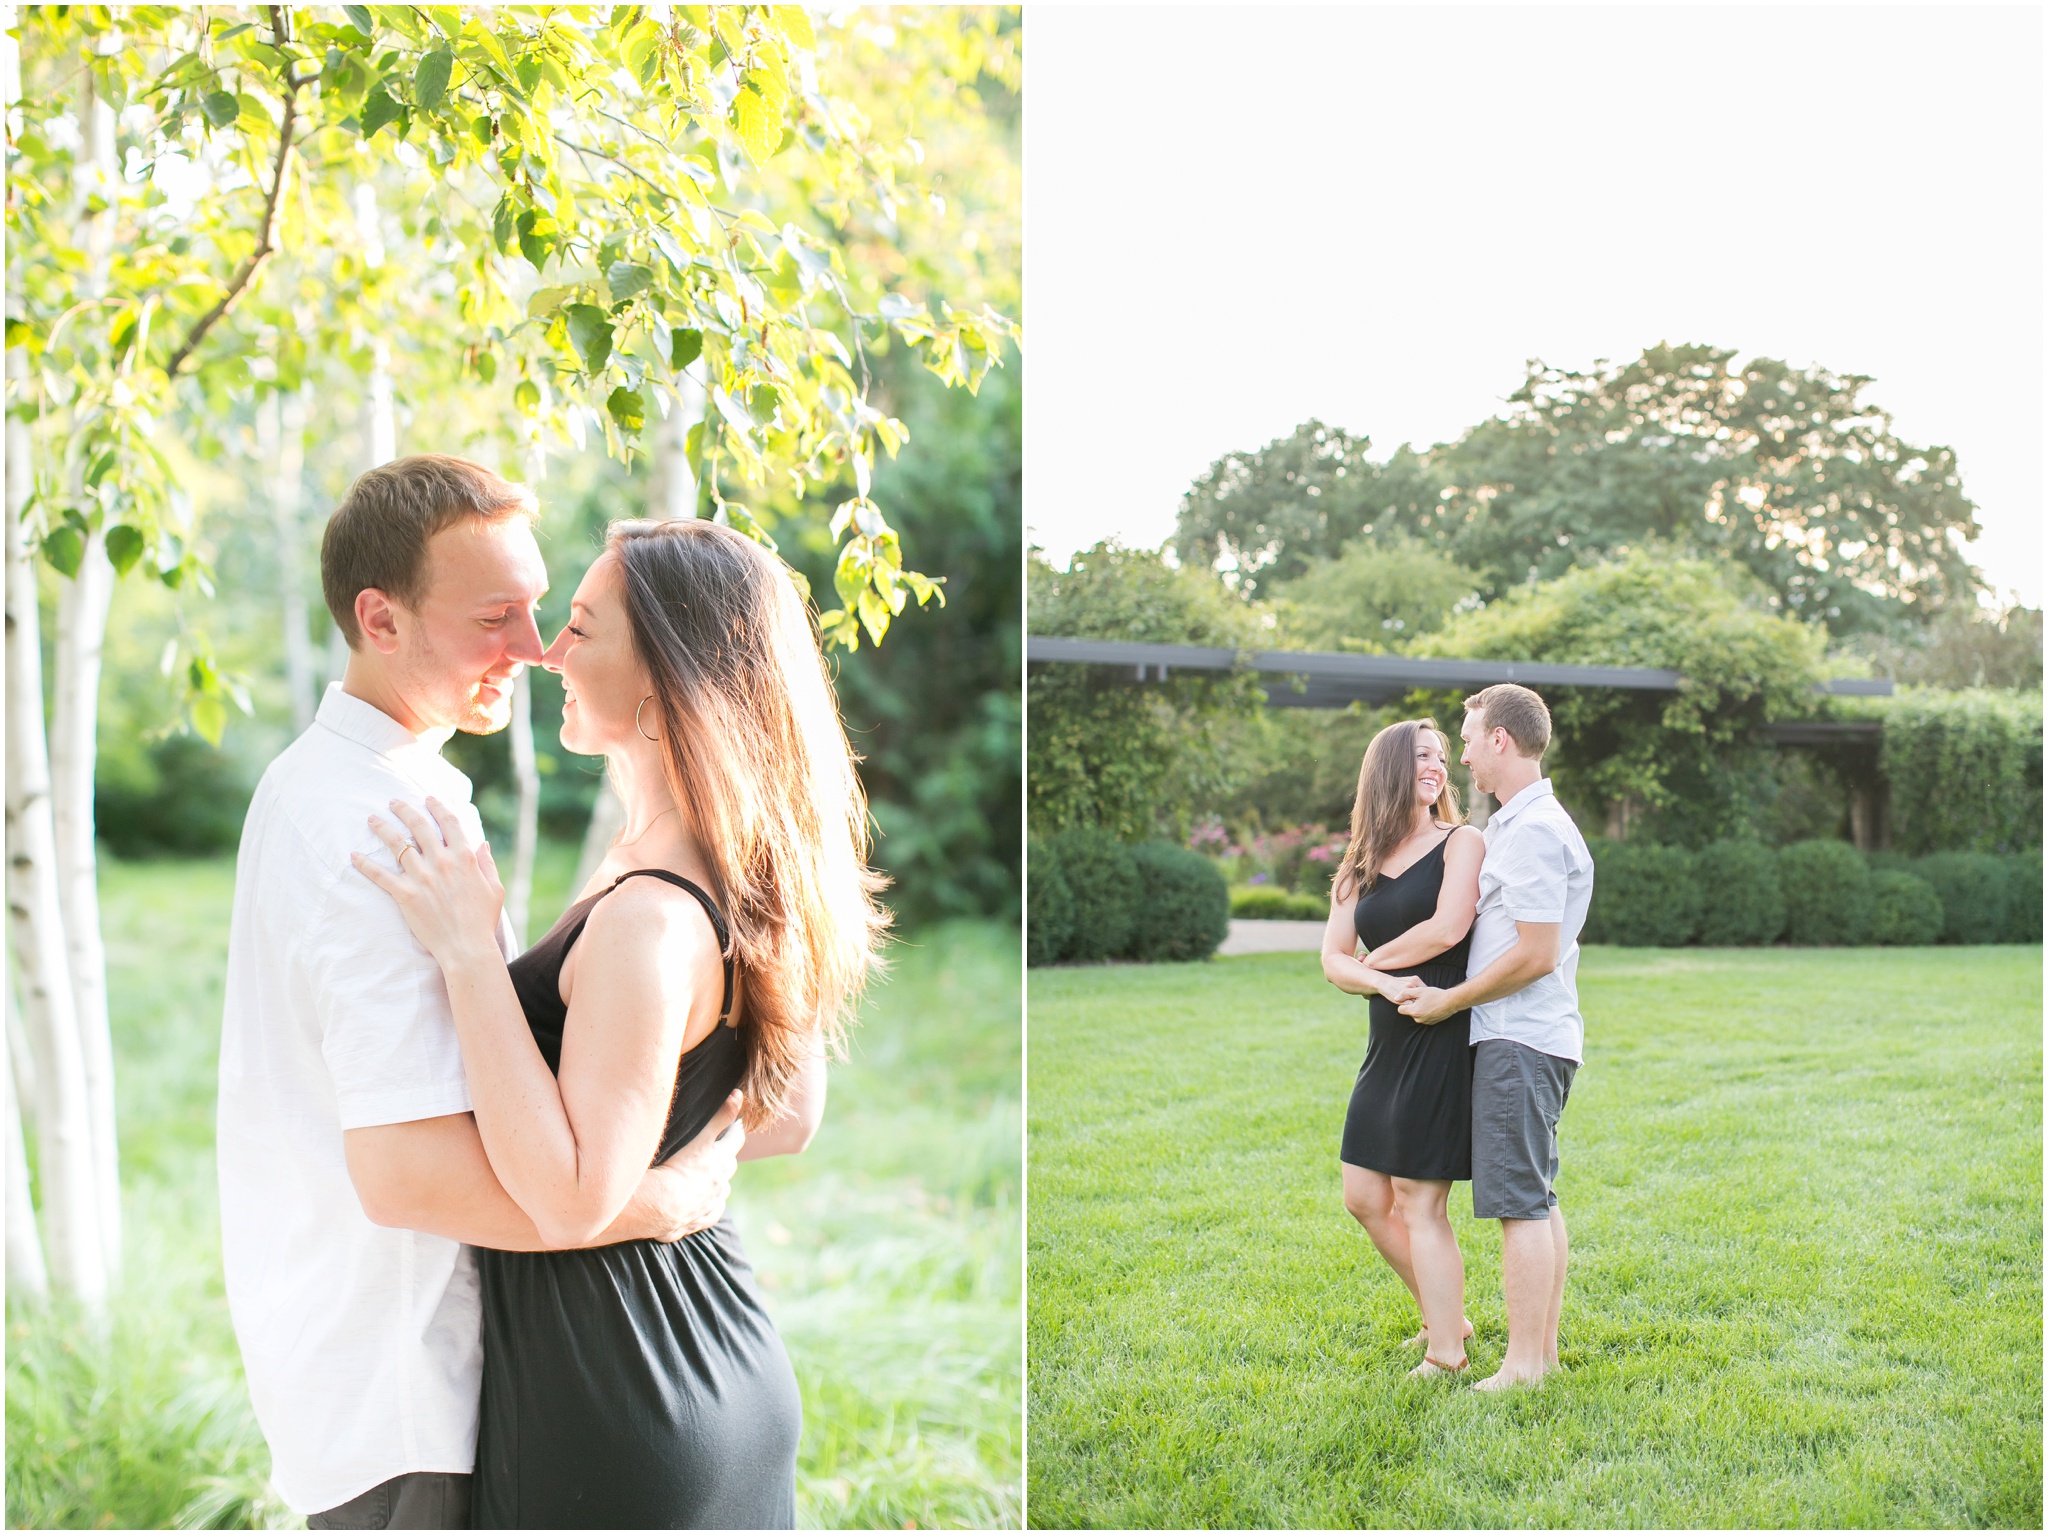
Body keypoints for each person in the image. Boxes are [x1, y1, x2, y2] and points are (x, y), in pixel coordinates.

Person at [219, 456, 746, 1529]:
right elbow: (409, 1173)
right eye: (493, 615)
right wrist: (656, 1200)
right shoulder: (372, 832)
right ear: (382, 619)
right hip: (404, 1389)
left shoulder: (398, 783)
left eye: (541, 608)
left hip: (427, 1368)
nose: (535, 645)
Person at [352, 513, 888, 1527]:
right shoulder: (743, 871)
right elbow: (783, 1114)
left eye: (584, 629)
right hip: (708, 1346)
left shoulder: (648, 915)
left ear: (662, 675)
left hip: (612, 1390)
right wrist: (670, 1176)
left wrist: (469, 952)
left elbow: (566, 1201)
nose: (547, 649)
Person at [1398, 683, 1594, 1392]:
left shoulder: (1535, 828)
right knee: (1536, 1197)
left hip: (1520, 1037)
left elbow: (1536, 951)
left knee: (1519, 1203)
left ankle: (1521, 1367)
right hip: (1529, 1036)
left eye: (1472, 739)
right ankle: (1539, 1356)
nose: (1467, 756)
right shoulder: (1521, 821)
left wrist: (1452, 999)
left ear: (1502, 740)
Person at [1320, 718, 1486, 1379]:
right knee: (1363, 1195)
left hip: (1439, 1028)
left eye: (1443, 756)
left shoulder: (1461, 842)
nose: (1439, 766)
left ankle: (1446, 1353)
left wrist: (1372, 968)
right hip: (1386, 1039)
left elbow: (1448, 929)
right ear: (1388, 767)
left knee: (1421, 1198)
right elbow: (1332, 960)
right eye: (1423, 755)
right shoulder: (1360, 858)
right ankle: (1447, 1315)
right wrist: (1375, 981)